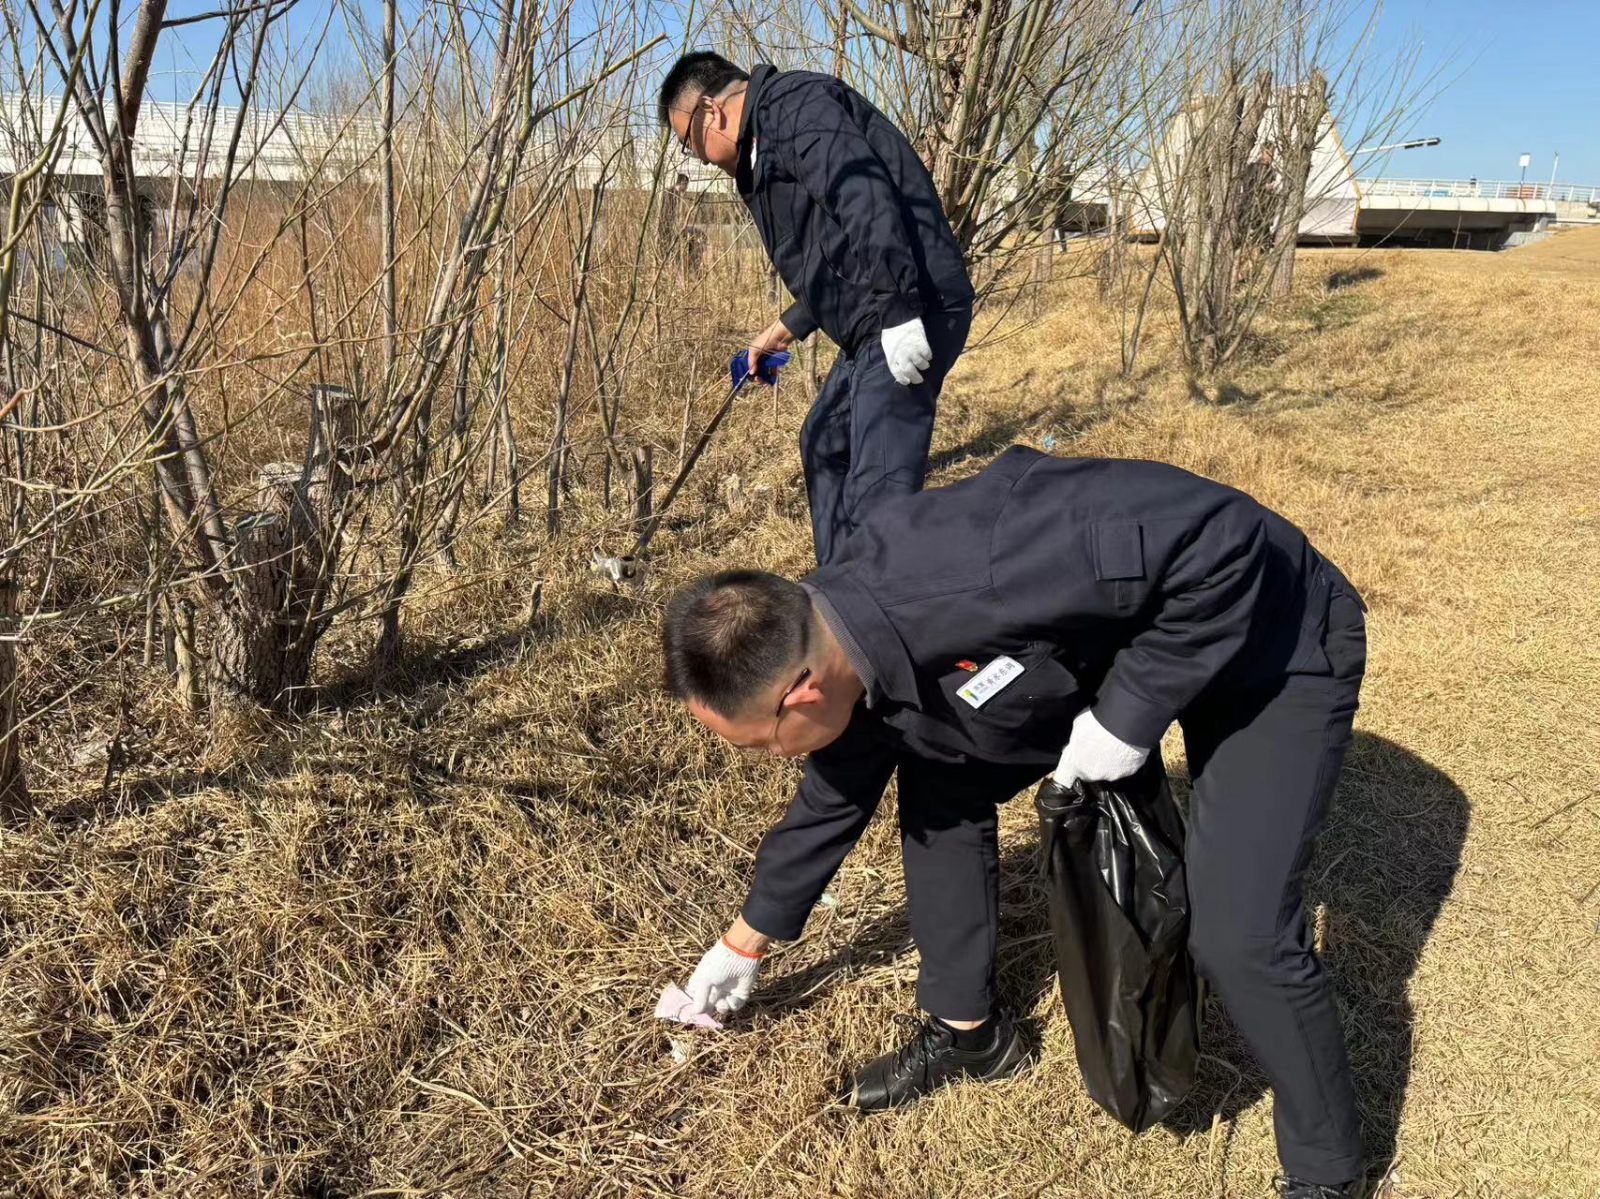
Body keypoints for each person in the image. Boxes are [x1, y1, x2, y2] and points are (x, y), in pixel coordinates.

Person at [659, 447, 1372, 1199]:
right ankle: (969, 1033)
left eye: (761, 743)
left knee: (1240, 935)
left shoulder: (992, 562)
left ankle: (1327, 1171)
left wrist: (1127, 717)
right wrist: (744, 943)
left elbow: (1224, 541)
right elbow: (835, 794)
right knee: (939, 782)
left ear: (800, 695)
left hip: (1271, 635)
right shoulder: (839, 637)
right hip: (1120, 649)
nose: (774, 758)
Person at [656, 52, 975, 564]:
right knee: (824, 442)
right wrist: (785, 328)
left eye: (686, 142)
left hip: (914, 305)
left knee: (878, 496)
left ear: (710, 112)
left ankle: (881, 599)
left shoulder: (796, 107)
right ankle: (838, 588)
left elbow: (863, 198)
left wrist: (899, 312)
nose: (694, 157)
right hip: (874, 316)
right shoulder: (764, 146)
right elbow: (832, 253)